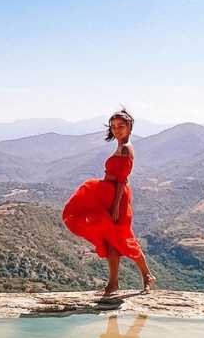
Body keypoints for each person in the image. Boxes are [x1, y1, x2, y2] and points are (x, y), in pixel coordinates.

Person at [62, 108, 156, 299]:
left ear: (129, 127)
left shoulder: (127, 147)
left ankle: (147, 276)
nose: (116, 130)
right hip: (107, 194)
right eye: (113, 126)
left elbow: (122, 179)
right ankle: (113, 284)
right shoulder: (121, 145)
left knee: (122, 238)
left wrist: (115, 206)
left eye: (120, 126)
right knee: (110, 240)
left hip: (117, 198)